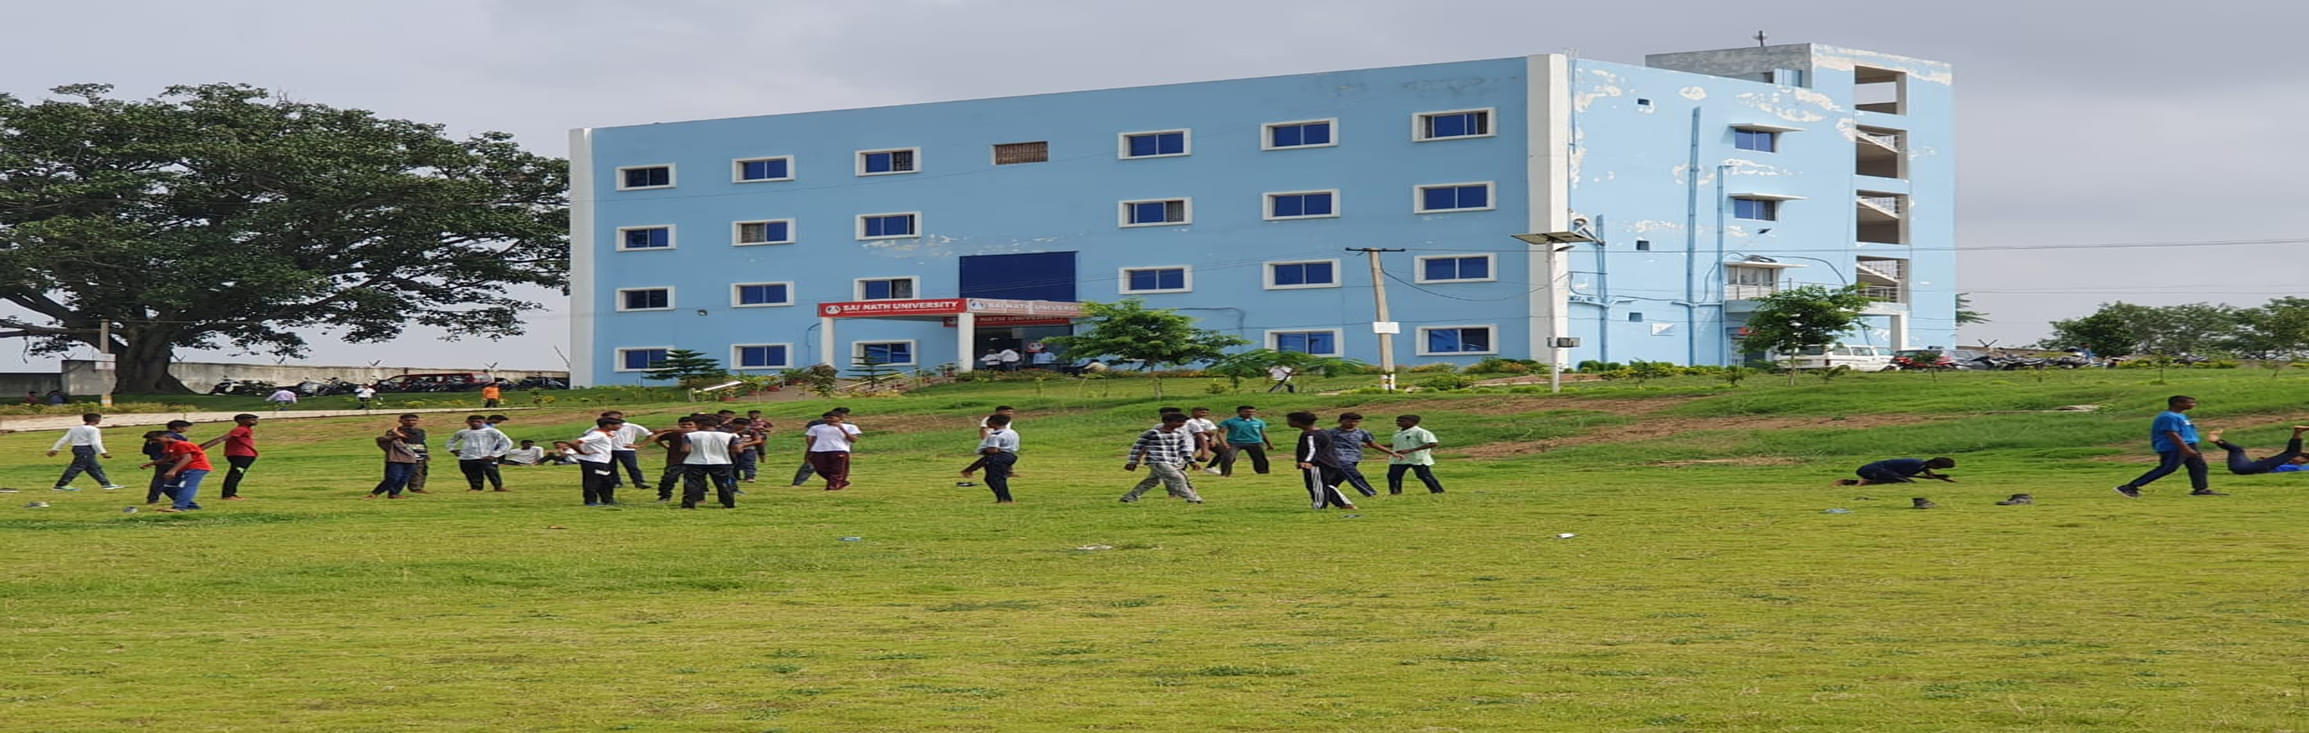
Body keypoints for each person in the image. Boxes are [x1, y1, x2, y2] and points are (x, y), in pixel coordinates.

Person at [2116, 395, 2221, 498]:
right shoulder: (2168, 417)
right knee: (2167, 468)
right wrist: (2185, 449)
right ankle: (2130, 486)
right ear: (2177, 403)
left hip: (2189, 444)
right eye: (2189, 402)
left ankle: (2201, 489)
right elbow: (2172, 433)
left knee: (2199, 466)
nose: (2193, 404)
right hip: (2175, 447)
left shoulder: (2181, 415)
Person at [1121, 412, 1205, 504]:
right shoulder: (1152, 433)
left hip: (1173, 462)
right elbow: (1138, 447)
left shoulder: (1178, 434)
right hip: (1157, 461)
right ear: (1167, 422)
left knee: (1152, 481)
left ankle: (1130, 497)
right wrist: (1133, 461)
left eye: (1183, 422)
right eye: (1179, 422)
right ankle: (1192, 498)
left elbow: (1183, 450)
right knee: (1177, 478)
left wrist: (1192, 462)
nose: (1182, 424)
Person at [1288, 411, 1356, 510]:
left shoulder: (1310, 435)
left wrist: (1307, 461)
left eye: (1290, 420)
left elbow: (1312, 449)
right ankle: (1345, 504)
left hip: (1318, 464)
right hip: (1330, 462)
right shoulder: (1323, 432)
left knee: (1316, 486)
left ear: (1298, 422)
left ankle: (1319, 505)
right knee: (1325, 485)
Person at [46, 412, 123, 492]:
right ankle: (61, 485)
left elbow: (64, 440)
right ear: (96, 420)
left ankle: (106, 484)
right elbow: (95, 442)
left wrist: (55, 449)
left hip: (77, 448)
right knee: (76, 468)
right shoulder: (94, 430)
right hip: (86, 449)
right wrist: (103, 452)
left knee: (94, 468)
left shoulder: (75, 429)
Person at [1326, 412, 1396, 498]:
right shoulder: (1331, 433)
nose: (1352, 423)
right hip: (1339, 458)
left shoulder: (1362, 432)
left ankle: (1327, 491)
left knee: (1339, 477)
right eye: (1349, 421)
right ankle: (1370, 493)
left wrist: (1391, 452)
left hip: (1354, 458)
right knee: (1354, 476)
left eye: (1356, 422)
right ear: (1340, 421)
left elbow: (1372, 444)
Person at [142, 431, 214, 513]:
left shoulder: (182, 445)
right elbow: (167, 458)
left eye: (156, 440)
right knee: (168, 487)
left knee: (187, 486)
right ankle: (191, 506)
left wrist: (173, 471)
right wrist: (151, 464)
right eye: (151, 441)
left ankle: (179, 507)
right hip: (185, 468)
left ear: (167, 437)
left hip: (197, 467)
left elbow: (187, 458)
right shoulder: (169, 446)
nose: (154, 442)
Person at [556, 417, 623, 506]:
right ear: (608, 425)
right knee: (593, 481)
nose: (620, 426)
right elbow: (574, 443)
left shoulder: (606, 433)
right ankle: (591, 501)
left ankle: (607, 500)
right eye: (617, 424)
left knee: (606, 482)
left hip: (601, 461)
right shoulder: (597, 435)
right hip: (594, 461)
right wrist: (582, 452)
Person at [679, 419, 743, 509]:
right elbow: (738, 449)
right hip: (721, 461)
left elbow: (685, 450)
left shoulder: (689, 435)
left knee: (693, 484)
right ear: (717, 426)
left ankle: (688, 504)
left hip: (695, 461)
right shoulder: (730, 436)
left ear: (700, 425)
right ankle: (729, 503)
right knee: (723, 483)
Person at [198, 413, 261, 500]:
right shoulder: (240, 429)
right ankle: (228, 495)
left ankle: (232, 494)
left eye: (255, 419)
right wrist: (200, 448)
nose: (255, 421)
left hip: (244, 455)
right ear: (240, 421)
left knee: (237, 474)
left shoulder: (245, 429)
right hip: (241, 456)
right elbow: (223, 438)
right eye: (251, 419)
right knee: (235, 474)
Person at [447, 414, 515, 491]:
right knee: (471, 473)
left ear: (484, 422)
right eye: (472, 421)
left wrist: (495, 454)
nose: (475, 423)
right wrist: (452, 449)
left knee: (492, 472)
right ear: (467, 422)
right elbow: (451, 441)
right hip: (467, 457)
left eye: (478, 421)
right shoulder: (463, 432)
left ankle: (498, 487)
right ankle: (476, 488)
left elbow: (507, 442)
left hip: (486, 456)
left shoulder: (491, 431)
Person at [2205, 425, 2309, 475]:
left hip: (2247, 467)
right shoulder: (2299, 467)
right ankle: (2217, 440)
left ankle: (2216, 440)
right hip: (2246, 468)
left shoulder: (2299, 466)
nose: (2297, 459)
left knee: (2237, 450)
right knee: (2238, 450)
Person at [367, 414, 424, 499]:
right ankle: (375, 493)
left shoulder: (419, 432)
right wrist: (395, 435)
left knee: (404, 478)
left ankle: (394, 493)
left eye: (414, 420)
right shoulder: (392, 431)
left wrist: (425, 454)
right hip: (396, 457)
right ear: (400, 421)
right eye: (408, 420)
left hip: (413, 458)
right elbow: (384, 439)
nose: (411, 422)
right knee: (393, 477)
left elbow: (417, 442)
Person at [790, 407, 851, 485]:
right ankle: (797, 483)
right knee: (812, 466)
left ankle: (836, 482)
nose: (843, 416)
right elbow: (810, 436)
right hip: (819, 448)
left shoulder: (847, 425)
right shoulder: (817, 423)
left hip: (838, 449)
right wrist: (811, 447)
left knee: (837, 468)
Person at [1388, 414, 1446, 494]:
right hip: (1400, 458)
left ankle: (1437, 491)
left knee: (1424, 475)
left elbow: (1433, 443)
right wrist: (1375, 445)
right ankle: (1395, 492)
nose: (1398, 422)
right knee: (1393, 475)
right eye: (1397, 421)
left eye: (1402, 421)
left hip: (1417, 458)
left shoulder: (1420, 432)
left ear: (1413, 422)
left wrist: (1411, 450)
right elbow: (1395, 444)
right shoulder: (1398, 432)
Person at [803, 411, 859, 490]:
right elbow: (811, 441)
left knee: (837, 470)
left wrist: (841, 429)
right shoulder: (816, 428)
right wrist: (809, 452)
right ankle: (841, 482)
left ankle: (832, 487)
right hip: (819, 450)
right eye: (826, 418)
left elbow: (853, 440)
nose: (828, 420)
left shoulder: (850, 427)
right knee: (820, 469)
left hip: (839, 449)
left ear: (839, 418)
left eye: (831, 418)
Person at [972, 413, 1021, 503]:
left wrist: (985, 450)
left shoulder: (994, 436)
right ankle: (1003, 498)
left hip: (998, 457)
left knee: (995, 478)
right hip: (1010, 455)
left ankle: (1005, 498)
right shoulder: (1012, 432)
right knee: (995, 478)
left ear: (992, 423)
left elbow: (993, 450)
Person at [143, 420, 194, 504]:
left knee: (158, 480)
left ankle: (152, 499)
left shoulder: (154, 436)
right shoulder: (177, 438)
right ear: (178, 428)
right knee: (177, 481)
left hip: (158, 461)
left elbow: (145, 451)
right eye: (186, 427)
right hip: (174, 461)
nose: (187, 429)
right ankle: (179, 499)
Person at [649, 417, 699, 502]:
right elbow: (654, 434)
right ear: (679, 425)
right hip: (676, 460)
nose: (686, 427)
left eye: (689, 425)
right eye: (683, 425)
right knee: (668, 479)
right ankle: (664, 496)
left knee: (693, 481)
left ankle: (692, 498)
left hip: (694, 460)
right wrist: (664, 445)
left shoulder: (699, 434)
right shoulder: (673, 434)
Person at [1215, 405, 1273, 476]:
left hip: (1255, 442)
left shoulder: (1259, 422)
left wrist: (1269, 444)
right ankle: (1225, 474)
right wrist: (1224, 443)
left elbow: (1262, 433)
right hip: (1234, 442)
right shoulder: (1230, 421)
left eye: (1252, 412)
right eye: (1246, 412)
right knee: (1228, 457)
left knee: (1260, 459)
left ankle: (1263, 473)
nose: (1249, 413)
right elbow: (1220, 433)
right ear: (1239, 412)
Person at [602, 411, 651, 489]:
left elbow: (650, 435)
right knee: (611, 467)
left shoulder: (631, 426)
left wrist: (639, 445)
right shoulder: (603, 427)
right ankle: (615, 482)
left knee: (632, 467)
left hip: (626, 450)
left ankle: (639, 482)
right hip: (608, 449)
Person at [1834, 457, 1957, 486]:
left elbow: (1931, 476)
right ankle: (1861, 482)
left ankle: (1851, 483)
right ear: (1934, 464)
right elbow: (1902, 475)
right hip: (1870, 470)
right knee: (1902, 480)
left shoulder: (1922, 466)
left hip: (1879, 471)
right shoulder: (1916, 464)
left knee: (1897, 480)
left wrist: (1945, 479)